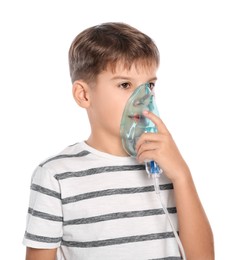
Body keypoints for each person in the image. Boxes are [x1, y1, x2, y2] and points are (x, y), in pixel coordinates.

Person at [23, 22, 214, 260]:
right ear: (84, 95)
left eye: (149, 85)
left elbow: (203, 257)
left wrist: (182, 176)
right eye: (125, 85)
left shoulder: (166, 168)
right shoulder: (56, 176)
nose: (143, 97)